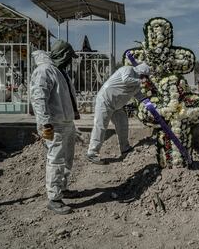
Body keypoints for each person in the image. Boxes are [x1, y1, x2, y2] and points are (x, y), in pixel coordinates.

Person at [30, 40, 78, 215]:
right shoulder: (44, 71)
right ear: (64, 55)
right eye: (69, 57)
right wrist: (45, 125)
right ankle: (54, 198)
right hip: (54, 125)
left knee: (67, 159)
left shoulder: (58, 71)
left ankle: (62, 188)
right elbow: (39, 99)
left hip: (66, 123)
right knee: (56, 160)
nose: (70, 61)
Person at [87, 63, 150, 164]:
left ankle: (125, 148)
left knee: (123, 124)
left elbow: (138, 95)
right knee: (101, 126)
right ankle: (92, 153)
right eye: (144, 76)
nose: (145, 79)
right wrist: (140, 81)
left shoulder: (137, 83)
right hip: (105, 101)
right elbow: (126, 80)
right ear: (140, 73)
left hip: (117, 106)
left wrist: (149, 103)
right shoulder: (128, 69)